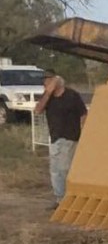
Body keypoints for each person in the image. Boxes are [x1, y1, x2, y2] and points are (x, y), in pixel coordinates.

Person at [34, 70, 87, 208]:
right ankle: (60, 199)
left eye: (47, 80)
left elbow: (83, 114)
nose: (44, 83)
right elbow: (38, 110)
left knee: (64, 168)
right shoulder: (48, 97)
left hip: (70, 137)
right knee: (55, 169)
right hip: (55, 137)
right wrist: (48, 93)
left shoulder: (72, 95)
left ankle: (69, 198)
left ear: (56, 80)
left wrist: (84, 132)